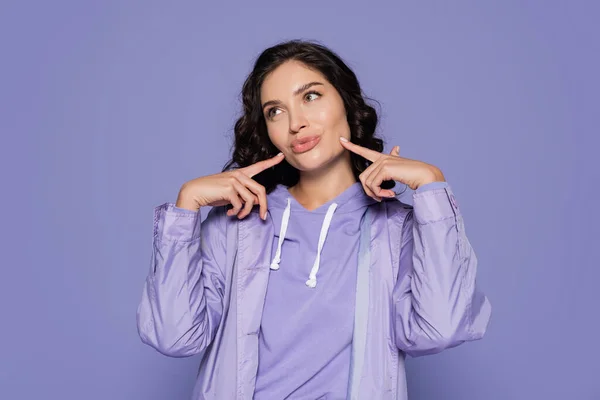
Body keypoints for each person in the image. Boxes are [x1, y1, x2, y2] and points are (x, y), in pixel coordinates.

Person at [136, 39, 492, 399]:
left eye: (310, 96)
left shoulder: (395, 231)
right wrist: (186, 208)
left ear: (346, 101)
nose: (296, 124)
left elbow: (439, 329)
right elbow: (175, 337)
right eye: (276, 111)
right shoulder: (236, 225)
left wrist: (431, 185)